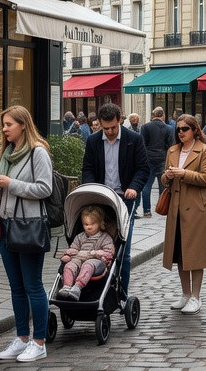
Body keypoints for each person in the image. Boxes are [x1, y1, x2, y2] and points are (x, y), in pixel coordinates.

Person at [0, 106, 54, 363]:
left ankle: (39, 342)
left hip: (29, 226)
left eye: (8, 124)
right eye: (3, 124)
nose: (4, 129)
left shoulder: (38, 152)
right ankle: (21, 338)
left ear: (23, 125)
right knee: (16, 287)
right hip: (6, 226)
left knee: (33, 286)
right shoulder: (7, 153)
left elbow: (44, 188)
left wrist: (10, 184)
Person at [82, 102, 150, 294]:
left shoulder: (133, 139)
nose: (110, 132)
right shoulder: (93, 141)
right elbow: (87, 168)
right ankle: (98, 290)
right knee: (96, 246)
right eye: (106, 128)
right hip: (101, 199)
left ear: (120, 120)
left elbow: (143, 168)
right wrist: (90, 187)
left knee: (123, 251)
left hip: (124, 199)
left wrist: (134, 188)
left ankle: (122, 292)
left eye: (113, 127)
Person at [160, 114, 206, 313]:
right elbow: (163, 178)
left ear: (194, 130)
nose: (181, 132)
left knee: (195, 254)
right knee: (180, 254)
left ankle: (196, 296)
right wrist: (167, 176)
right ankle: (185, 294)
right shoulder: (172, 150)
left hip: (196, 209)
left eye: (185, 129)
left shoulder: (205, 151)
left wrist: (184, 173)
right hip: (176, 208)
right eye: (178, 129)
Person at [57, 206, 116, 300]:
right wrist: (69, 255)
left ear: (100, 223)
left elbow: (109, 253)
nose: (89, 227)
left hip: (97, 262)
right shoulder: (80, 237)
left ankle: (77, 287)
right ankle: (66, 287)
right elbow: (74, 248)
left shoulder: (105, 237)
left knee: (88, 265)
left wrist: (97, 253)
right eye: (86, 224)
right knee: (69, 266)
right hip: (79, 259)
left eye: (92, 224)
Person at [138, 107, 173, 218]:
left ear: (153, 115)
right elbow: (171, 145)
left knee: (147, 185)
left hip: (149, 158)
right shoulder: (168, 128)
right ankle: (162, 207)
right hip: (163, 158)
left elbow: (142, 144)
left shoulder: (145, 127)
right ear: (162, 116)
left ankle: (147, 210)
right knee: (163, 183)